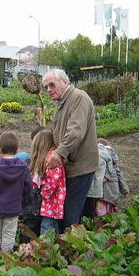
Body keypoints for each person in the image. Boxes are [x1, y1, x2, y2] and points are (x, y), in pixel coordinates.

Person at [42, 68, 99, 232]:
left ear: (64, 82)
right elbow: (58, 131)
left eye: (51, 85)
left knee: (70, 211)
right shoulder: (62, 102)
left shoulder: (78, 98)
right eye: (46, 87)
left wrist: (60, 153)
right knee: (70, 209)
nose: (49, 90)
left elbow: (76, 131)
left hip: (81, 166)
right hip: (71, 164)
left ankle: (70, 247)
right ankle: (74, 242)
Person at [0, 131, 32, 258]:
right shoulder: (23, 167)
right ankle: (6, 259)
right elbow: (28, 187)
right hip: (13, 208)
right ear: (17, 150)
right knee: (9, 234)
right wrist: (22, 200)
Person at [30, 130, 66, 235]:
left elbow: (54, 178)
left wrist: (44, 194)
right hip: (51, 200)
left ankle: (45, 247)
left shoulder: (51, 158)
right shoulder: (50, 156)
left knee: (47, 225)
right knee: (51, 224)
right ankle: (53, 246)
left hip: (52, 200)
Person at [84, 138, 129, 217]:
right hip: (112, 194)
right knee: (110, 213)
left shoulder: (96, 157)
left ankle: (99, 226)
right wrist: (125, 190)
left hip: (100, 195)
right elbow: (120, 176)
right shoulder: (113, 160)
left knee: (99, 213)